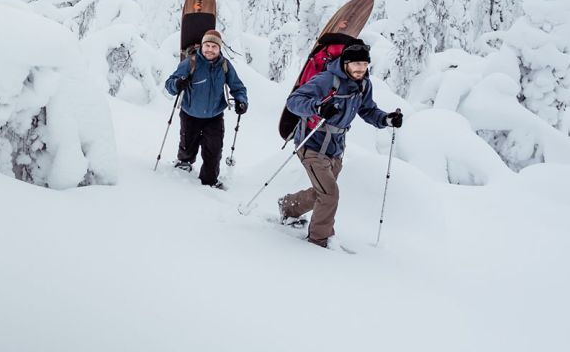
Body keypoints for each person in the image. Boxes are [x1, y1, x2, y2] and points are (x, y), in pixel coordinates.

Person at [278, 40, 402, 247]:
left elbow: (368, 110)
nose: (361, 69)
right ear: (345, 63)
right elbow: (294, 101)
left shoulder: (363, 84)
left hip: (335, 149)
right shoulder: (327, 80)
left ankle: (288, 207)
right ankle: (319, 241)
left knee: (322, 192)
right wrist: (317, 107)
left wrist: (386, 120)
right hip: (312, 144)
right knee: (330, 194)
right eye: (356, 64)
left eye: (364, 64)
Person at [164, 30, 248, 189]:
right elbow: (170, 84)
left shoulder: (225, 66)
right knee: (188, 146)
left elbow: (238, 87)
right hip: (190, 114)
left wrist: (241, 101)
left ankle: (209, 181)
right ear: (202, 46)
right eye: (207, 45)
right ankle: (183, 168)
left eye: (214, 46)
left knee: (214, 151)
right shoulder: (190, 62)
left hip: (214, 116)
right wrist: (177, 84)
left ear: (219, 48)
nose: (210, 49)